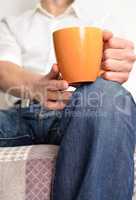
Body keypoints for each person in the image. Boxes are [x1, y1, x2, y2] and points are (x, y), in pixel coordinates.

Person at [0, 0, 136, 199]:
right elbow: (3, 70)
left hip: (82, 109)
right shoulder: (12, 23)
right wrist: (37, 87)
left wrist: (115, 68)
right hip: (20, 114)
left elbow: (117, 65)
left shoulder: (105, 19)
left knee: (110, 96)